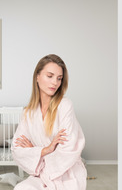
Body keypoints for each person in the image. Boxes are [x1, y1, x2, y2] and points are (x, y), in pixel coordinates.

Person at [11, 54, 87, 190]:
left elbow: (68, 149)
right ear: (37, 77)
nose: (55, 83)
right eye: (50, 76)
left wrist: (35, 153)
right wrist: (46, 150)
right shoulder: (28, 113)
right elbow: (17, 149)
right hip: (40, 173)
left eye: (59, 78)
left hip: (66, 173)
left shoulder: (65, 105)